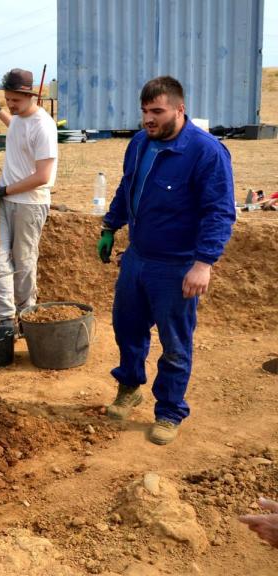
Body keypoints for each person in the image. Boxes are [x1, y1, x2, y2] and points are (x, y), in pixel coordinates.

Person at [97, 76, 235, 445]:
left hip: (176, 265)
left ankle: (169, 411)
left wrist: (203, 263)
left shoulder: (206, 152)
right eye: (144, 111)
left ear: (179, 109)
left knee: (174, 342)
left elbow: (219, 212)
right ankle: (129, 388)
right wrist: (110, 225)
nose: (148, 119)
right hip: (138, 258)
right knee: (127, 328)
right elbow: (127, 187)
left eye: (157, 111)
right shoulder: (141, 143)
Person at [0, 68, 59, 331]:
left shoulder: (43, 126)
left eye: (15, 100)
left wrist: (6, 190)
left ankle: (27, 317)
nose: (10, 105)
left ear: (30, 97)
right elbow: (16, 128)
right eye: (7, 99)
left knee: (24, 262)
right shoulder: (17, 117)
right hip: (4, 200)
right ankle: (5, 319)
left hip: (30, 203)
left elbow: (42, 176)